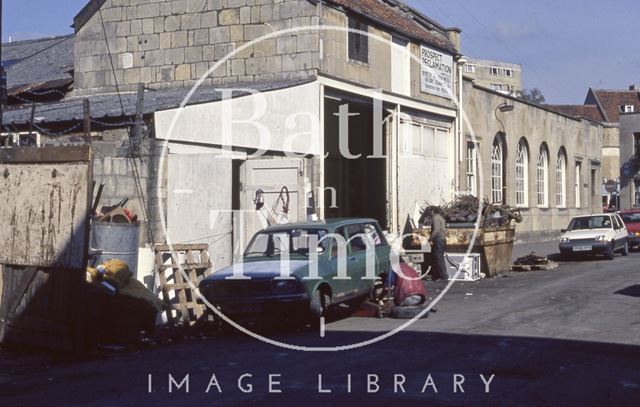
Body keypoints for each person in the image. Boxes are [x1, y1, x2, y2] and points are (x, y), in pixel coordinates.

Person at [429, 207, 448, 281]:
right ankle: (442, 275)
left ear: (433, 211)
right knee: (440, 258)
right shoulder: (441, 218)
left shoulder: (435, 217)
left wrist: (430, 238)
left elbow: (436, 230)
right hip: (442, 239)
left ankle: (443, 276)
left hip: (438, 240)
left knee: (438, 258)